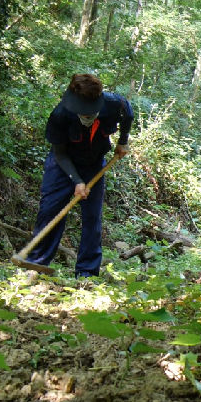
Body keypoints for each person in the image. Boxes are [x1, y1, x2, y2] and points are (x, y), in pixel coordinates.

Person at [24, 73, 133, 278]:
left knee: (92, 218)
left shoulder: (113, 104)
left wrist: (123, 140)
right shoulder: (60, 115)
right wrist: (77, 181)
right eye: (82, 114)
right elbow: (60, 153)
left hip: (93, 164)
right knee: (50, 211)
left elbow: (128, 112)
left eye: (90, 113)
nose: (86, 117)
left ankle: (87, 273)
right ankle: (36, 265)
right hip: (62, 165)